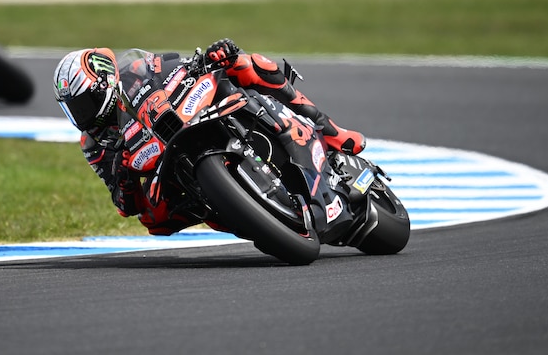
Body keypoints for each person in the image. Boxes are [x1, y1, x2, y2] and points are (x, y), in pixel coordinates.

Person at [53, 38, 366, 236]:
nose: (81, 115)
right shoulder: (94, 144)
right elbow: (125, 205)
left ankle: (332, 132)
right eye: (72, 109)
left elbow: (173, 65)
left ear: (105, 83)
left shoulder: (134, 70)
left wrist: (216, 55)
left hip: (188, 113)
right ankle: (235, 209)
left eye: (83, 104)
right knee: (153, 222)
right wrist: (124, 176)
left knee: (248, 63)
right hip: (165, 165)